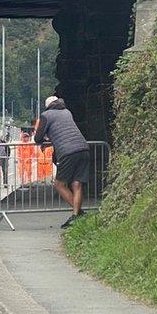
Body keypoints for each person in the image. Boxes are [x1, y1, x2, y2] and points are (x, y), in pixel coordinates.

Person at [34, 96, 90, 228]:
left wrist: (47, 139)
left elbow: (38, 138)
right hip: (83, 148)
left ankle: (79, 214)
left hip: (67, 152)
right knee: (77, 184)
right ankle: (77, 215)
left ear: (48, 106)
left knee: (59, 184)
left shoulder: (46, 115)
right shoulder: (67, 111)